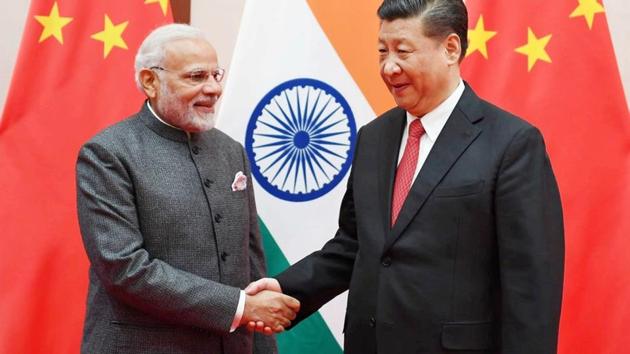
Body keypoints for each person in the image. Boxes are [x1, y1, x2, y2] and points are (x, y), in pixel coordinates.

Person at [245, 0, 564, 353]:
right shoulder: (373, 137)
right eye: (382, 51)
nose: (389, 66)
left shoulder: (512, 143)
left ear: (450, 48)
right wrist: (286, 290)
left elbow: (531, 287)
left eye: (403, 51)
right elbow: (355, 245)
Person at [76, 24, 299, 354]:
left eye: (216, 75)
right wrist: (239, 306)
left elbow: (251, 262)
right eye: (196, 77)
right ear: (150, 82)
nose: (214, 89)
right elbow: (124, 268)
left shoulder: (230, 150)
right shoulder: (108, 153)